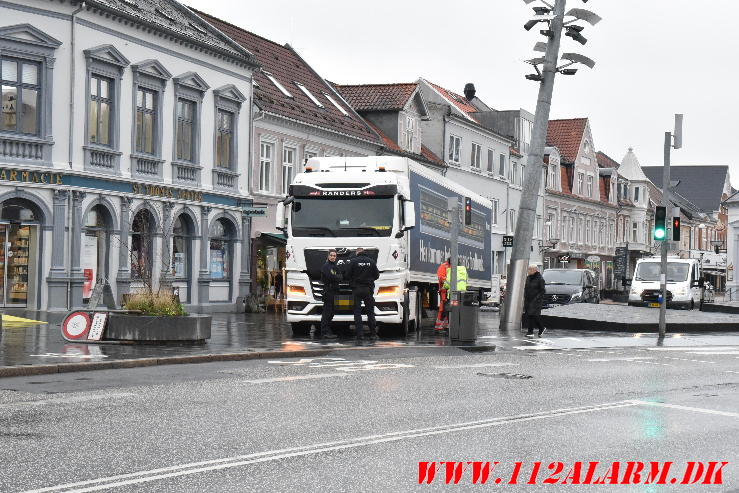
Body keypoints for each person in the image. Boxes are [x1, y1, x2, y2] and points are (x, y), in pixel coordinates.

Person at [347, 248, 380, 340]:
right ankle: (373, 333)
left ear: (357, 253)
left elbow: (348, 275)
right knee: (370, 312)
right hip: (368, 290)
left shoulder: (353, 261)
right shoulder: (371, 262)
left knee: (357, 312)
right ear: (364, 252)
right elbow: (377, 276)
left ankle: (360, 334)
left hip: (356, 289)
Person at [319, 250, 340, 339]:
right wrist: (337, 277)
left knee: (331, 312)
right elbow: (331, 276)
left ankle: (327, 330)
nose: (333, 257)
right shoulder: (326, 266)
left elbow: (340, 276)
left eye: (334, 256)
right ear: (328, 256)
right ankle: (324, 332)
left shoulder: (334, 266)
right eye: (331, 255)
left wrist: (336, 277)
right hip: (328, 291)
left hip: (333, 291)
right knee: (327, 312)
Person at [523, 265, 546, 337]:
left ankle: (542, 327)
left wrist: (537, 299)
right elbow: (526, 288)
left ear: (535, 270)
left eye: (530, 269)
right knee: (530, 315)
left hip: (536, 300)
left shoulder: (540, 279)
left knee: (535, 315)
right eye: (528, 269)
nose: (528, 271)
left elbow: (542, 290)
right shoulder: (528, 278)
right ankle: (530, 332)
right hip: (528, 299)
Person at [435, 258, 451, 330]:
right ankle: (440, 326)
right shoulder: (444, 266)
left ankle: (446, 325)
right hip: (444, 291)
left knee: (449, 309)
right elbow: (441, 278)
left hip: (450, 291)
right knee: (443, 309)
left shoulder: (455, 267)